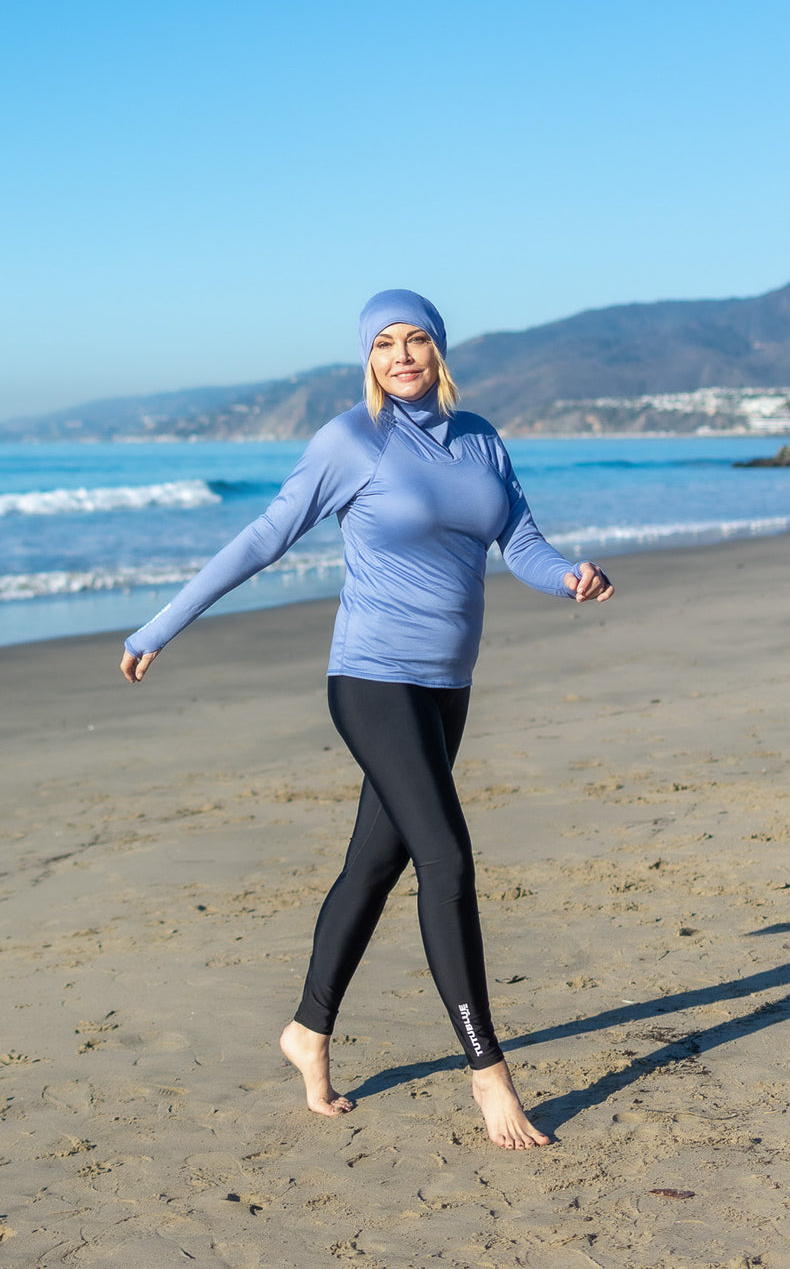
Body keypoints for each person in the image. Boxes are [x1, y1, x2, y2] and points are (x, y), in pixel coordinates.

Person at [121, 290, 613, 1149]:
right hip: (372, 679)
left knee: (375, 863)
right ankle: (488, 1073)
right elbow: (266, 535)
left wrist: (569, 574)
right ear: (367, 359)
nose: (401, 353)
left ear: (439, 348)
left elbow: (521, 543)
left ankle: (306, 1031)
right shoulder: (351, 440)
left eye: (414, 337)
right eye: (382, 343)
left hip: (446, 686)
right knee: (446, 856)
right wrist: (161, 625)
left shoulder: (481, 438)